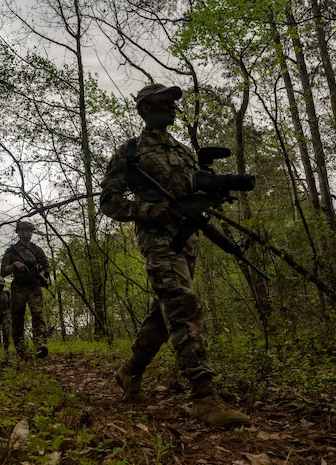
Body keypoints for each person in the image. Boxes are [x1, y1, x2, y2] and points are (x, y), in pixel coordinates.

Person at [99, 83, 251, 428]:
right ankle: (204, 397)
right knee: (183, 305)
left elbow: (192, 190)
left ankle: (128, 372)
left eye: (172, 103)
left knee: (163, 313)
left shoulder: (184, 152)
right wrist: (149, 210)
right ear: (145, 109)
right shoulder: (130, 152)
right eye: (163, 102)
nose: (171, 107)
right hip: (157, 240)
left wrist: (214, 192)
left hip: (188, 239)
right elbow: (108, 202)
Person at [0, 221, 51, 359]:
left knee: (38, 315)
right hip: (18, 287)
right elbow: (3, 271)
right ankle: (20, 349)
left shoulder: (37, 250)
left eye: (29, 230)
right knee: (17, 317)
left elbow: (47, 267)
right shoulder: (12, 251)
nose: (26, 233)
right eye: (23, 230)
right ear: (18, 232)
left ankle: (40, 345)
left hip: (34, 286)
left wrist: (42, 274)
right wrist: (14, 265)